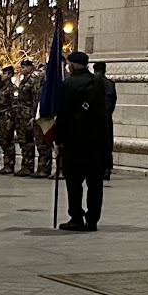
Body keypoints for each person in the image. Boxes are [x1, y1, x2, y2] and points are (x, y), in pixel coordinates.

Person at [53, 50, 113, 231]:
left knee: (74, 182)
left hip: (74, 141)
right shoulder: (99, 83)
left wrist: (59, 139)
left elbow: (63, 114)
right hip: (96, 142)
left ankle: (76, 217)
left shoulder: (68, 84)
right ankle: (93, 218)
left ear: (71, 66)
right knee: (95, 183)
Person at [12, 59, 40, 175]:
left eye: (24, 67)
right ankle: (25, 165)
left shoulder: (33, 81)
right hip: (20, 114)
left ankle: (28, 166)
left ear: (29, 68)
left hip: (27, 114)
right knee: (22, 140)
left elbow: (35, 99)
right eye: (21, 67)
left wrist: (33, 116)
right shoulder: (23, 81)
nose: (22, 69)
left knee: (28, 141)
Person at [0, 65, 18, 174]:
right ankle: (6, 164)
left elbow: (14, 104)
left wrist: (11, 119)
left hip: (6, 116)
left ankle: (10, 164)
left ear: (10, 75)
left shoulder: (12, 89)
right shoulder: (3, 87)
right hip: (0, 116)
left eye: (4, 74)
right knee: (3, 141)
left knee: (8, 141)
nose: (2, 76)